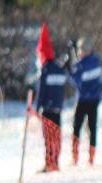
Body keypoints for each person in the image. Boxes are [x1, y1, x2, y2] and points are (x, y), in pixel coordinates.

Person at [34, 23, 66, 173]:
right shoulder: (59, 68)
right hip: (58, 109)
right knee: (56, 136)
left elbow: (41, 91)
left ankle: (49, 163)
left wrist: (37, 106)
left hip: (47, 109)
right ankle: (56, 161)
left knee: (48, 137)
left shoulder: (44, 70)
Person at [68, 37, 102, 165]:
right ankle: (89, 157)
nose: (80, 52)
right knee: (91, 128)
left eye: (82, 50)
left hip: (84, 100)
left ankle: (76, 156)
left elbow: (76, 81)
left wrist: (70, 69)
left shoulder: (81, 64)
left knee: (77, 127)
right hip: (93, 99)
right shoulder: (96, 60)